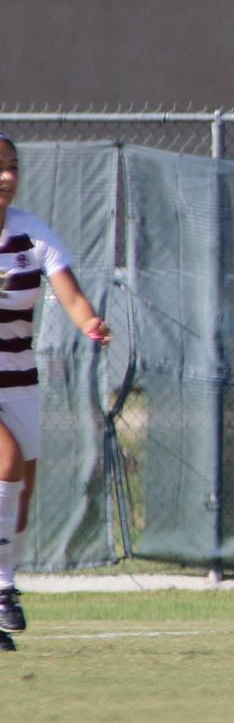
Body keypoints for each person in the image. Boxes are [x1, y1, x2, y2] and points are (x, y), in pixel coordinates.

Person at [0, 134, 112, 651]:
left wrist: (89, 321)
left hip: (19, 380)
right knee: (8, 464)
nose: (7, 176)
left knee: (20, 493)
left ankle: (4, 587)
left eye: (13, 167)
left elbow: (69, 293)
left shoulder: (31, 234)